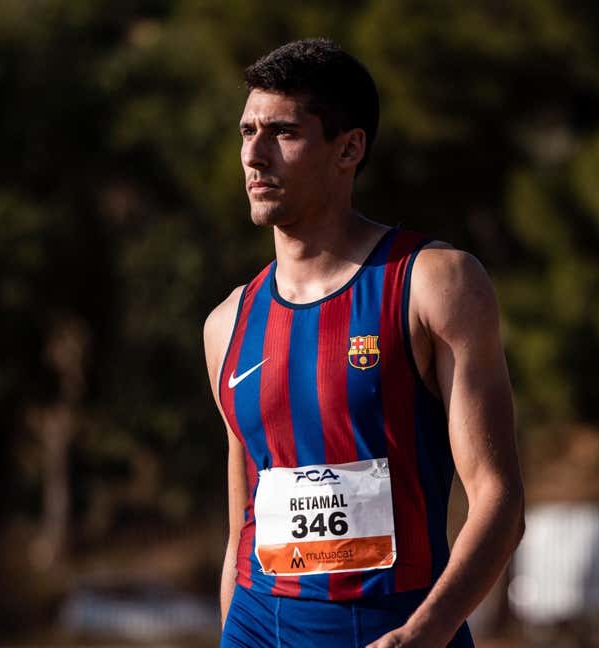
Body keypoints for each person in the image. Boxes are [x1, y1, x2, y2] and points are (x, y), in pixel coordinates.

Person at [202, 39, 525, 647]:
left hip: (397, 632)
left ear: (348, 148)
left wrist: (427, 630)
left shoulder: (435, 282)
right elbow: (240, 528)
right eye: (247, 132)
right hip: (256, 627)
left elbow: (499, 501)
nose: (253, 155)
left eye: (283, 134)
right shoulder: (227, 324)